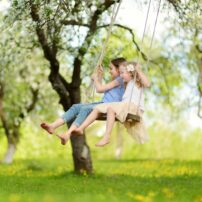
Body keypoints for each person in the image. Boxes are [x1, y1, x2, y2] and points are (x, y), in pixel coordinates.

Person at [41, 57, 126, 144]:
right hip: (103, 104)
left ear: (119, 69)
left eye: (111, 68)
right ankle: (53, 126)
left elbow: (100, 89)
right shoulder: (116, 80)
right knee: (76, 107)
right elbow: (100, 89)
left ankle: (68, 133)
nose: (109, 71)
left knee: (85, 109)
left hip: (108, 106)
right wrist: (100, 75)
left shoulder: (120, 80)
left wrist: (96, 79)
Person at [74, 61, 151, 146]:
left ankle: (106, 137)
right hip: (124, 105)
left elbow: (147, 84)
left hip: (133, 107)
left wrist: (138, 70)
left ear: (131, 73)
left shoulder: (137, 82)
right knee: (98, 108)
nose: (120, 76)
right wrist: (99, 76)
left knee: (111, 108)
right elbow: (101, 89)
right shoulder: (127, 84)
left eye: (122, 73)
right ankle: (80, 128)